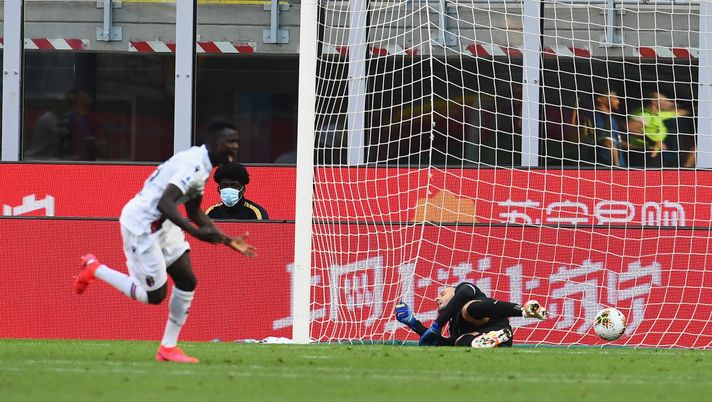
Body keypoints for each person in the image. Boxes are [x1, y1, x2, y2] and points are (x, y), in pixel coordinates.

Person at [73, 119, 256, 363]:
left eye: (237, 142)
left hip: (163, 223)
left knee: (187, 280)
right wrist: (195, 233)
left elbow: (194, 212)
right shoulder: (194, 165)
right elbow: (165, 203)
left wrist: (226, 240)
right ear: (214, 143)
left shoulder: (202, 165)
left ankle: (168, 349)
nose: (235, 147)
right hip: (142, 225)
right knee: (154, 296)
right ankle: (95, 269)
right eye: (230, 142)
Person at [395, 282, 548, 348]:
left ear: (454, 291)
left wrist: (438, 324)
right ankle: (488, 342)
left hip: (496, 322)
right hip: (500, 338)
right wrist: (413, 323)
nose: (437, 298)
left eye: (443, 293)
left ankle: (523, 311)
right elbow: (441, 343)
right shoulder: (453, 325)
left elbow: (465, 293)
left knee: (467, 309)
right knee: (458, 341)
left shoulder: (464, 290)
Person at [628, 91, 689, 167]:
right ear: (654, 102)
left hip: (653, 154)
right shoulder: (645, 115)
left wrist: (691, 110)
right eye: (665, 100)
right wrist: (653, 142)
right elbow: (631, 128)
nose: (668, 102)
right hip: (642, 154)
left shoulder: (658, 114)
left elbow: (677, 112)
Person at [593, 90, 627, 167]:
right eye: (614, 98)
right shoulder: (597, 117)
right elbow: (607, 142)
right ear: (600, 99)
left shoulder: (612, 118)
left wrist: (643, 148)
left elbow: (618, 142)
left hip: (619, 166)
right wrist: (616, 167)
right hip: (605, 167)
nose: (618, 102)